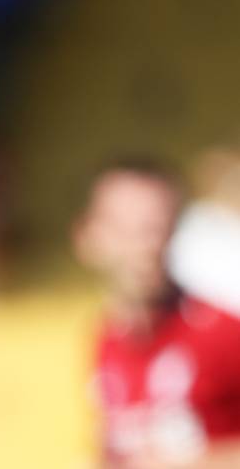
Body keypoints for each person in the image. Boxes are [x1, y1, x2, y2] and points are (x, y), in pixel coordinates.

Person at [74, 158, 240, 468]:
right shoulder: (106, 340)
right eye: (126, 230)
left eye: (156, 228)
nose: (145, 246)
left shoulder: (223, 334)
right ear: (88, 237)